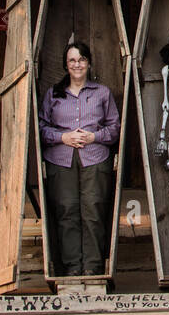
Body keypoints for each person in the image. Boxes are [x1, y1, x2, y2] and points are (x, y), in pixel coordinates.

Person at [37, 40, 121, 276]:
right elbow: (41, 128)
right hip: (61, 160)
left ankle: (93, 267)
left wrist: (94, 137)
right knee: (67, 211)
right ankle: (73, 267)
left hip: (94, 158)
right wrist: (63, 138)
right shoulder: (53, 94)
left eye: (81, 59)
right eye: (72, 60)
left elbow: (115, 128)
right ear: (66, 64)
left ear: (89, 62)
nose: (77, 64)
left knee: (93, 211)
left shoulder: (102, 93)